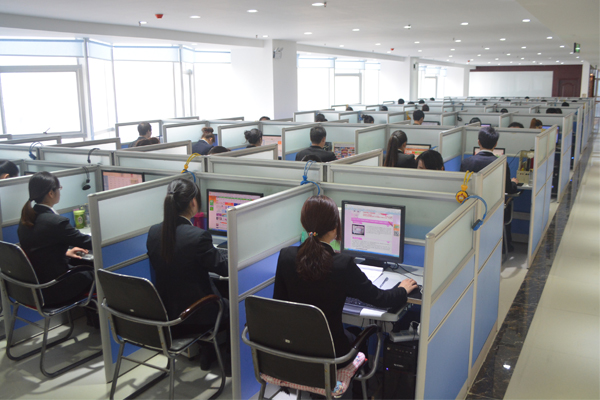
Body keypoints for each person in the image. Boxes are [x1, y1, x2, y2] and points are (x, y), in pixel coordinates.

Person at [273, 195, 417, 366]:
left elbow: (278, 305)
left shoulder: (286, 256)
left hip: (293, 351)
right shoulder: (342, 264)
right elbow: (380, 299)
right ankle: (357, 381)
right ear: (335, 227)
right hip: (333, 355)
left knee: (352, 331)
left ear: (304, 225)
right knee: (356, 335)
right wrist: (402, 289)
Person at [146, 178, 229, 369]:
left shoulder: (154, 232)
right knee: (233, 305)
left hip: (167, 313)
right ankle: (230, 364)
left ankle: (207, 353)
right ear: (193, 202)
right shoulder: (197, 237)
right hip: (196, 315)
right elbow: (224, 268)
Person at [17, 172, 94, 306]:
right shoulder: (56, 222)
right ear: (51, 193)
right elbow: (90, 242)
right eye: (59, 188)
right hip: (54, 288)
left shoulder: (26, 218)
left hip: (36, 287)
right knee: (97, 273)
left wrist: (64, 252)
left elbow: (38, 248)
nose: (60, 192)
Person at [460, 127, 518, 195]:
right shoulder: (501, 164)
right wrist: (514, 183)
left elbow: (461, 185)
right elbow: (508, 189)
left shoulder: (466, 162)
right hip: (493, 200)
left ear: (478, 142)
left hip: (471, 200)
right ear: (496, 144)